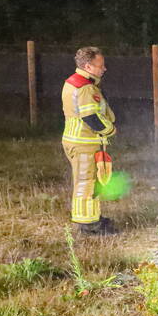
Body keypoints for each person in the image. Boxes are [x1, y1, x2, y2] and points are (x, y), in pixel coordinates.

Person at [62, 46, 117, 234]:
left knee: (91, 182)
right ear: (88, 66)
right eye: (100, 65)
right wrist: (110, 130)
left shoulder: (76, 82)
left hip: (81, 141)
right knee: (86, 183)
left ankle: (92, 219)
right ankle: (89, 226)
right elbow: (91, 117)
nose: (104, 68)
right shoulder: (85, 87)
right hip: (83, 143)